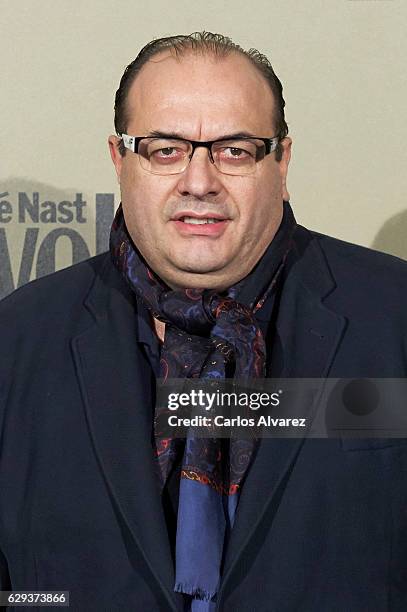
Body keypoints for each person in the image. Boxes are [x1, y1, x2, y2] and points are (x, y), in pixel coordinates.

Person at [1, 31, 407, 612]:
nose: (199, 181)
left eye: (235, 150)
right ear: (120, 160)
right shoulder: (17, 341)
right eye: (166, 149)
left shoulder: (394, 319)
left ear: (282, 160)